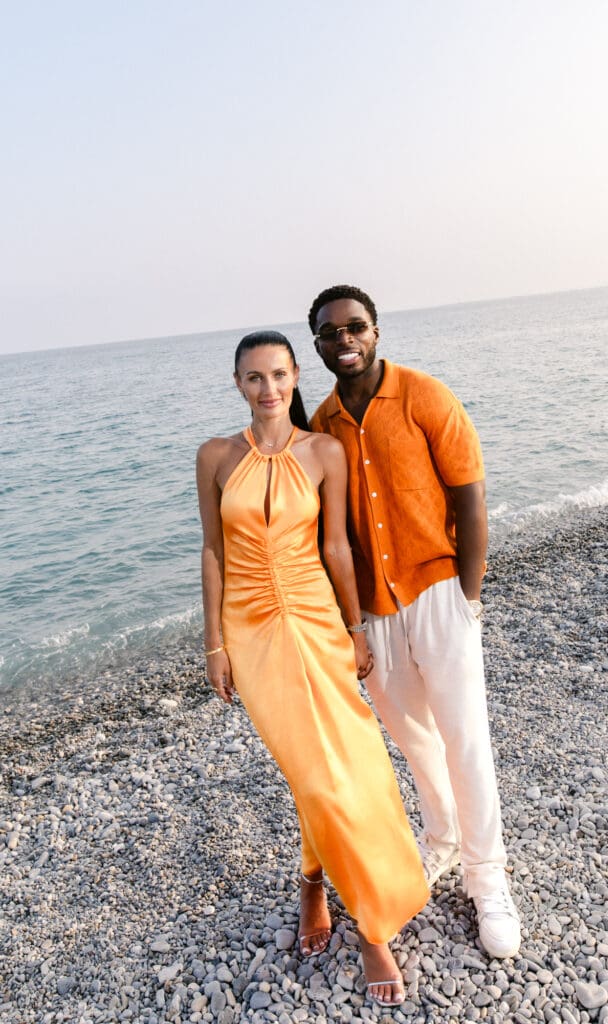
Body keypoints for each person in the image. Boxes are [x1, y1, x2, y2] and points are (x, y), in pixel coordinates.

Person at [196, 330, 430, 1007]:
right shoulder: (214, 457)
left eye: (277, 375)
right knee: (310, 771)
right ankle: (323, 890)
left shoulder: (323, 452)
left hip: (318, 623)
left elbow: (335, 544)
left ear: (296, 376)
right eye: (253, 378)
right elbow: (212, 552)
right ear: (238, 384)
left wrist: (357, 628)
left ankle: (356, 912)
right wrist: (214, 643)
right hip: (251, 630)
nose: (267, 389)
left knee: (351, 763)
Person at [308, 286, 521, 960]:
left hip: (438, 592)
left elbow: (471, 497)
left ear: (375, 330)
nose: (344, 341)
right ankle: (443, 837)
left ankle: (489, 880)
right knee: (413, 738)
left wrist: (469, 596)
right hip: (374, 609)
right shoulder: (323, 425)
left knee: (465, 737)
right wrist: (350, 623)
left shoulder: (427, 396)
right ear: (315, 343)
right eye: (328, 333)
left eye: (355, 327)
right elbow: (328, 532)